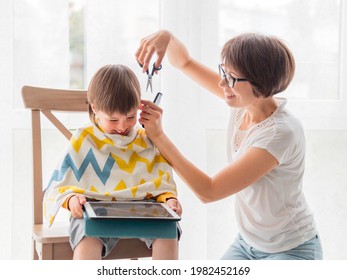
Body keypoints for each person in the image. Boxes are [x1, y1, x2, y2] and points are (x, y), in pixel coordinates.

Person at [136, 30, 323, 260]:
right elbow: (184, 62)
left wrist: (159, 136)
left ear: (260, 83)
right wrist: (168, 37)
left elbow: (209, 191)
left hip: (291, 249)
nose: (223, 82)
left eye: (232, 77)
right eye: (223, 71)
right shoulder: (244, 101)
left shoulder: (280, 133)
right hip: (247, 243)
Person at [43, 64, 182, 260]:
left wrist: (169, 200)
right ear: (95, 109)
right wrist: (71, 199)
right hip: (95, 210)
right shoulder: (85, 138)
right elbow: (60, 183)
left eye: (131, 117)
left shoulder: (145, 139)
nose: (123, 126)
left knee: (168, 230)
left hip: (141, 210)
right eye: (113, 120)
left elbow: (160, 180)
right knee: (86, 236)